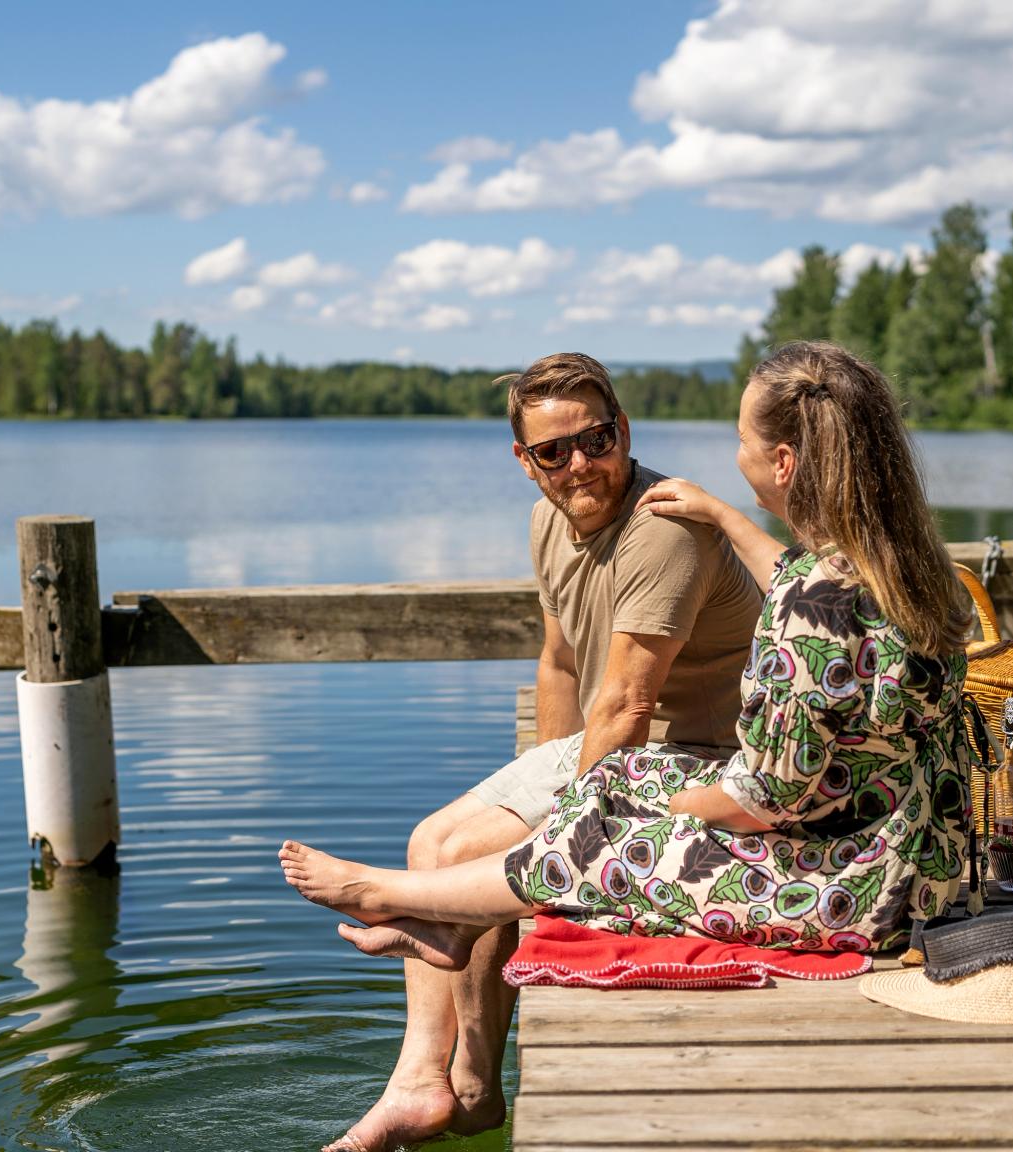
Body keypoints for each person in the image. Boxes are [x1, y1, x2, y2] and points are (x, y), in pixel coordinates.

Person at [279, 339, 977, 1020]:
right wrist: (723, 515)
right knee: (613, 778)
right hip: (917, 854)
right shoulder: (911, 574)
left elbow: (766, 800)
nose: (736, 457)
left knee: (603, 837)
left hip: (849, 887)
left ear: (784, 462)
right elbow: (807, 588)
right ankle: (444, 921)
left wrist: (669, 809)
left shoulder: (807, 611)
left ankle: (388, 894)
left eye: (742, 441)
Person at [326, 352, 764, 1152]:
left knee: (462, 855)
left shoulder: (663, 531)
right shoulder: (547, 522)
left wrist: (561, 839)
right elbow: (560, 665)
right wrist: (542, 781)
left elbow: (628, 705)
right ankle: (450, 1085)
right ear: (525, 462)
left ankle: (444, 1087)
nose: (580, 465)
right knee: (431, 842)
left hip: (707, 758)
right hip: (621, 743)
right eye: (554, 452)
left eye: (595, 440)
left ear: (622, 430)